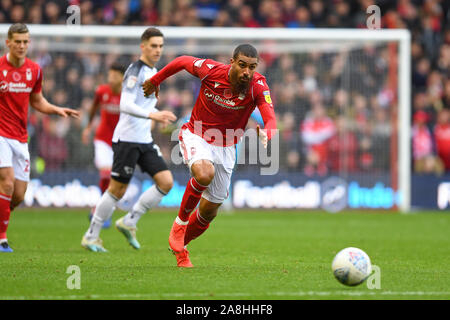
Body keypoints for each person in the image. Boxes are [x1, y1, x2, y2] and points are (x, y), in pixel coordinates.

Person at [142, 44, 277, 267]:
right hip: (196, 134)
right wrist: (156, 79)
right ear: (232, 61)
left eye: (251, 67)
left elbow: (270, 116)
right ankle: (179, 223)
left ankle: (181, 247)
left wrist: (268, 132)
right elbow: (182, 60)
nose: (246, 71)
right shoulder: (211, 70)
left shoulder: (258, 85)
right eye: (242, 65)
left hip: (227, 147)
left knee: (209, 211)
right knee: (204, 174)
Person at [81, 27, 177, 252]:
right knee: (117, 190)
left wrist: (157, 115)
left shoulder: (154, 71)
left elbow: (144, 104)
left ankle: (129, 221)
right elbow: (125, 104)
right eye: (153, 46)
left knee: (166, 182)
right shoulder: (135, 70)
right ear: (142, 46)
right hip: (126, 140)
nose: (157, 50)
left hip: (143, 140)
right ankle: (91, 235)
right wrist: (152, 114)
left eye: (160, 46)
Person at [0, 23, 79, 252]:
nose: (22, 46)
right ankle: (2, 238)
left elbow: (37, 101)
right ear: (8, 43)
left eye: (25, 42)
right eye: (18, 41)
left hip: (20, 137)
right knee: (6, 182)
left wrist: (57, 110)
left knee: (18, 194)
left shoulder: (34, 70)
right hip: (1, 135)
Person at [82, 62, 126, 229]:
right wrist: (87, 128)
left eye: (115, 75)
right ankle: (103, 211)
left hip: (121, 141)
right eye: (110, 74)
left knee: (117, 180)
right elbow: (93, 109)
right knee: (106, 174)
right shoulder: (102, 91)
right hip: (102, 138)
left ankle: (99, 209)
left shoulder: (128, 94)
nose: (111, 78)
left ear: (123, 78)